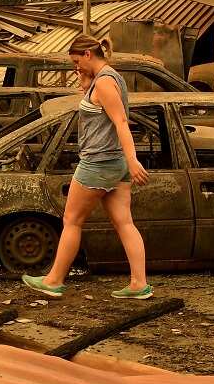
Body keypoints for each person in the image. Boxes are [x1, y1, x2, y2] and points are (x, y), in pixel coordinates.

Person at [22, 34, 153, 300]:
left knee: (71, 220)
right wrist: (84, 80)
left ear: (88, 55)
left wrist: (133, 159)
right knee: (124, 222)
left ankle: (54, 280)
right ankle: (139, 284)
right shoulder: (109, 78)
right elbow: (97, 111)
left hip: (98, 162)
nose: (75, 66)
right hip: (114, 163)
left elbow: (121, 123)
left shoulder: (104, 83)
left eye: (76, 61)